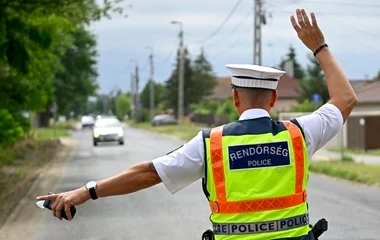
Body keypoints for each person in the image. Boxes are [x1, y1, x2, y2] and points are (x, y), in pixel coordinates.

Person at [36, 8, 357, 240]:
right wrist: (319, 47)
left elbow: (148, 173)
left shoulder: (211, 145)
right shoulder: (300, 136)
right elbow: (345, 99)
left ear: (234, 99)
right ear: (273, 101)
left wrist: (85, 191)